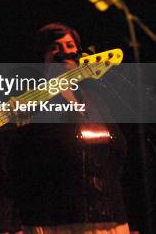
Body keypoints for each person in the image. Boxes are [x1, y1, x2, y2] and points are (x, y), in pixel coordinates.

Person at [10, 23, 130, 234]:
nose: (64, 51)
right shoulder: (30, 99)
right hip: (55, 221)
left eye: (69, 44)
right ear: (43, 56)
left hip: (111, 221)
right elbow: (12, 163)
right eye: (55, 46)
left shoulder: (95, 99)